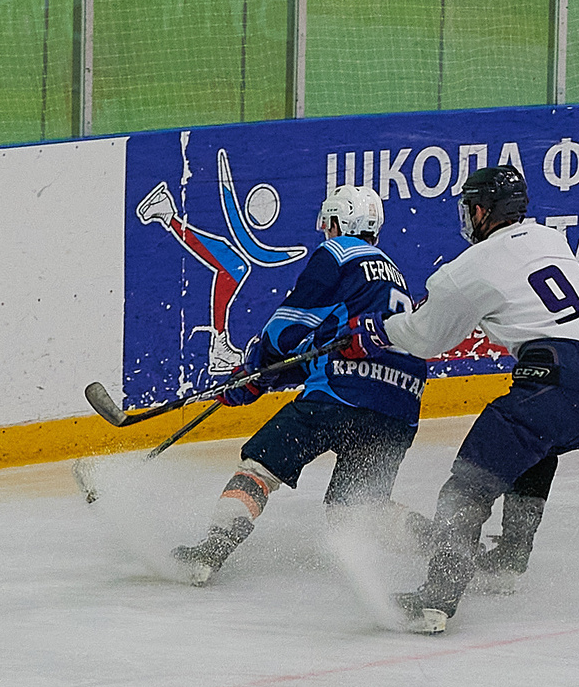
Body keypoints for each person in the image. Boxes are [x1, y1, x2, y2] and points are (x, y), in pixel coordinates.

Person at [362, 163, 579, 633]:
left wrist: (374, 333)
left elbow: (425, 339)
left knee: (467, 485)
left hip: (557, 386)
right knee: (537, 444)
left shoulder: (469, 268)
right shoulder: (550, 239)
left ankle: (437, 599)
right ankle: (509, 561)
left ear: (481, 210)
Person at [167, 184, 432, 586]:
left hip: (341, 395)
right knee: (358, 510)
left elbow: (288, 329)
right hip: (400, 406)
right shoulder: (395, 278)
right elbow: (320, 349)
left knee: (260, 466)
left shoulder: (339, 254)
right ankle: (452, 550)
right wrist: (263, 379)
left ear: (342, 223)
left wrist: (255, 370)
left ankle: (209, 553)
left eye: (330, 223)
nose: (325, 231)